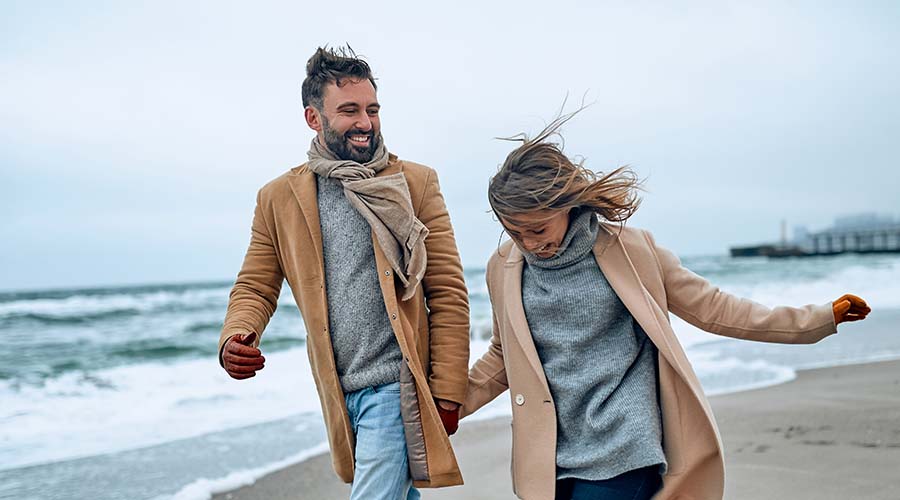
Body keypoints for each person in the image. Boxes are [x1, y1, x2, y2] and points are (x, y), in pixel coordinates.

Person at [461, 111, 870, 500]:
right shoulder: (504, 269)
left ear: (568, 205)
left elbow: (714, 308)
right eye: (514, 232)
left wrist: (817, 318)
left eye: (538, 229)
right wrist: (451, 405)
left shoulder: (631, 250)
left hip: (625, 444)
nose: (530, 243)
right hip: (549, 452)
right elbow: (503, 357)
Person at [218, 46, 470, 500]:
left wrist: (449, 389)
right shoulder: (278, 198)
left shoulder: (414, 183)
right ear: (313, 118)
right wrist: (236, 335)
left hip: (398, 387)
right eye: (349, 110)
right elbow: (256, 284)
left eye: (372, 110)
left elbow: (448, 290)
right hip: (338, 391)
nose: (366, 123)